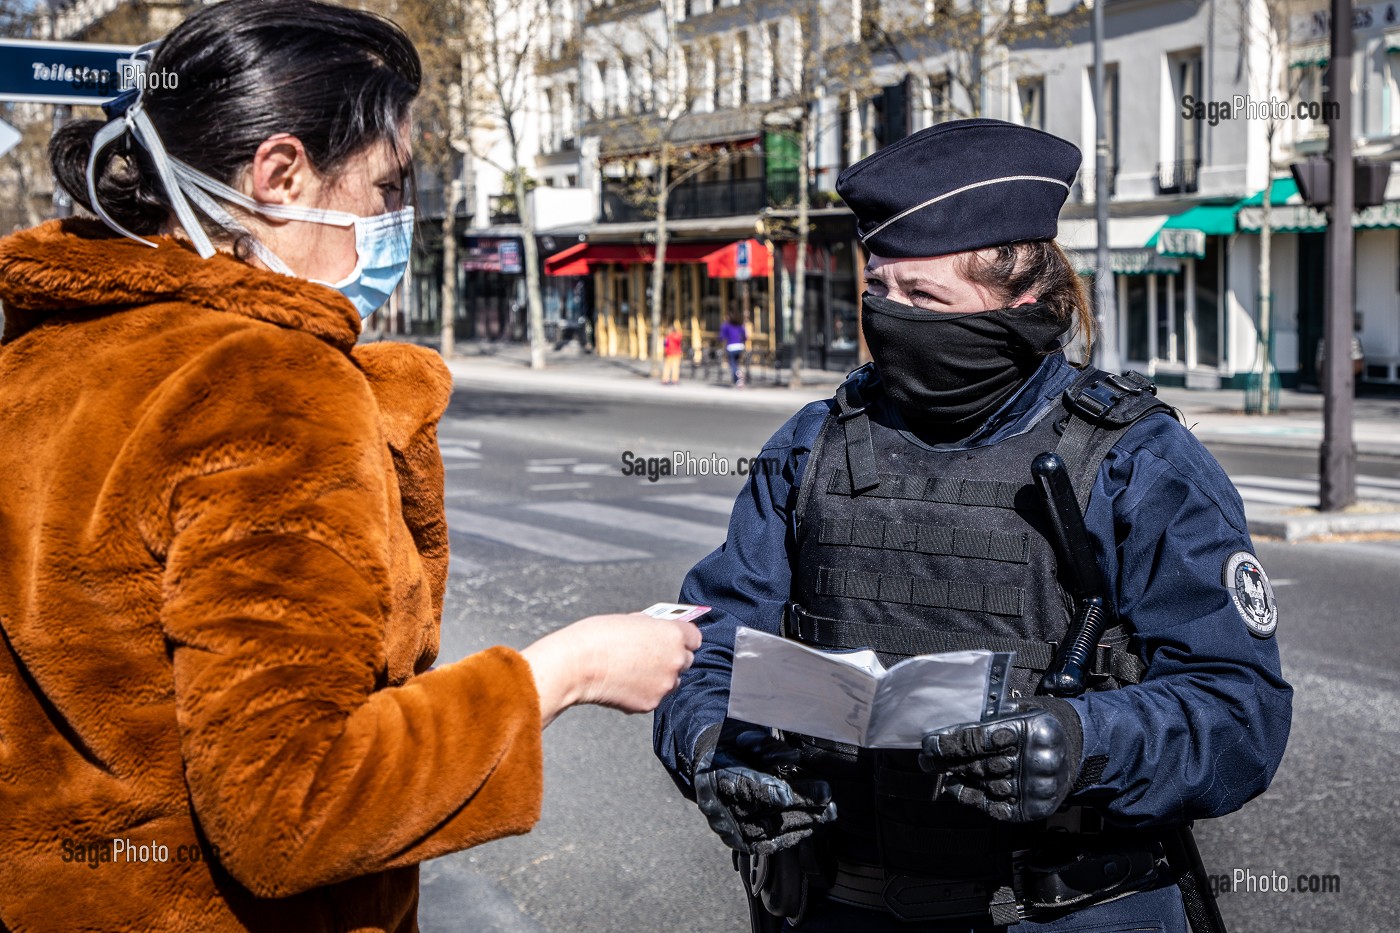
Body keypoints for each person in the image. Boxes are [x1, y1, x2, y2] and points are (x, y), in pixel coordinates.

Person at [0, 3, 699, 931]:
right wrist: (564, 671)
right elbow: (292, 808)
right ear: (282, 174)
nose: (398, 218)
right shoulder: (263, 382)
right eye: (387, 185)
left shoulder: (42, 355)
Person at [653, 119, 1292, 932]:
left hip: (1061, 910)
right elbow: (703, 646)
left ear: (1024, 304)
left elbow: (1242, 711)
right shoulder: (815, 445)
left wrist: (1085, 740)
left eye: (925, 298)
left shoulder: (1138, 462)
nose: (890, 317)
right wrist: (713, 749)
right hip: (836, 903)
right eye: (879, 290)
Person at [721, 313, 747, 387]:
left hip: (731, 347)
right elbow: (745, 335)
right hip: (739, 346)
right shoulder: (739, 326)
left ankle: (737, 374)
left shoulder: (727, 326)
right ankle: (737, 381)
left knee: (732, 364)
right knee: (736, 363)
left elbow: (722, 336)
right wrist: (742, 341)